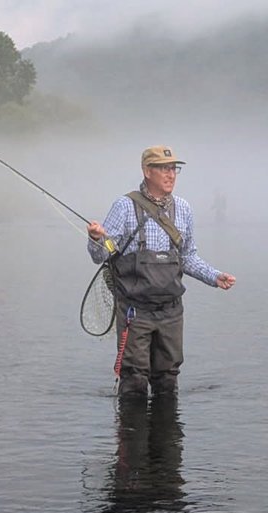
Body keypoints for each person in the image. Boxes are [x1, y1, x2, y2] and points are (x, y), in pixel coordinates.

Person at [87, 145, 236, 399]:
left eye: (173, 169)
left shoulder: (184, 209)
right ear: (147, 171)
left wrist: (214, 276)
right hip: (135, 311)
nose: (171, 175)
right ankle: (132, 436)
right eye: (163, 169)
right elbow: (101, 254)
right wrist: (97, 239)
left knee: (167, 381)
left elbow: (187, 257)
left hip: (171, 311)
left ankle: (167, 438)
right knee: (134, 382)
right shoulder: (124, 206)